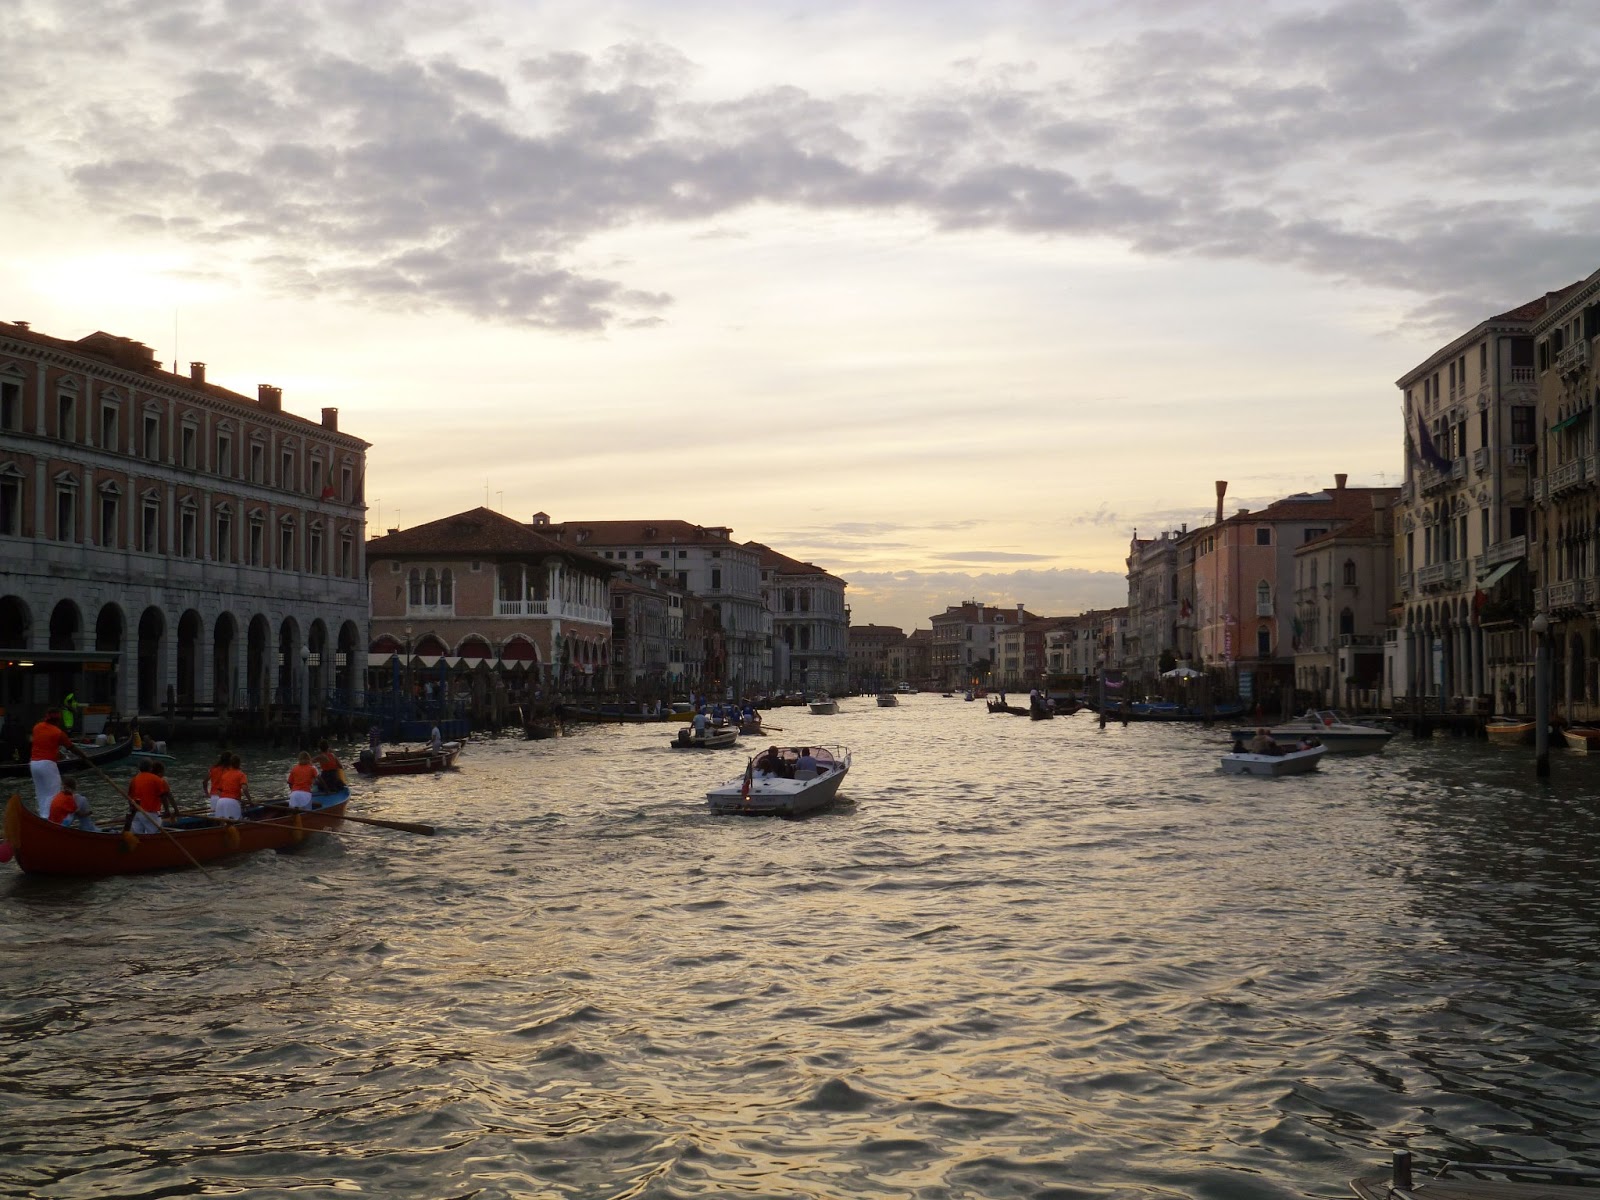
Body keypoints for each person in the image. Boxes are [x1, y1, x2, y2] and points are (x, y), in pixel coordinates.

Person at [30, 709, 81, 817]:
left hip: (34, 764)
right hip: (47, 764)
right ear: (58, 720)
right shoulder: (58, 732)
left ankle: (43, 816)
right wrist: (84, 756)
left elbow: (44, 742)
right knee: (53, 792)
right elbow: (71, 747)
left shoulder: (36, 727)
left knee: (41, 793)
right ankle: (49, 819)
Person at [127, 760, 176, 834]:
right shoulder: (157, 779)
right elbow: (163, 796)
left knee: (137, 836)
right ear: (150, 768)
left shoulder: (134, 780)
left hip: (136, 814)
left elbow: (130, 797)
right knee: (154, 834)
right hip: (151, 813)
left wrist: (132, 810)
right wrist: (167, 810)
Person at [212, 754, 248, 821]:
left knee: (222, 823)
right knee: (236, 823)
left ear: (230, 764)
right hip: (232, 802)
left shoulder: (224, 775)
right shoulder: (241, 774)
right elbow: (244, 788)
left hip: (220, 802)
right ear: (239, 763)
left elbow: (219, 791)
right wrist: (250, 800)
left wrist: (225, 799)